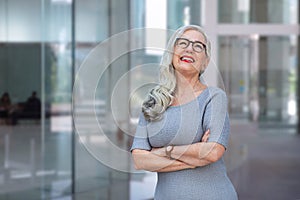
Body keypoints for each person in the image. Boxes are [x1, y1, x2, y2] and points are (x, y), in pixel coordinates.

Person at [130, 25, 238, 199]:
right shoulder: (153, 101)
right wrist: (196, 156)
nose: (189, 49)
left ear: (206, 61)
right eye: (183, 43)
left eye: (198, 46)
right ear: (172, 52)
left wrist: (164, 151)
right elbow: (139, 160)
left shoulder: (214, 97)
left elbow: (213, 152)